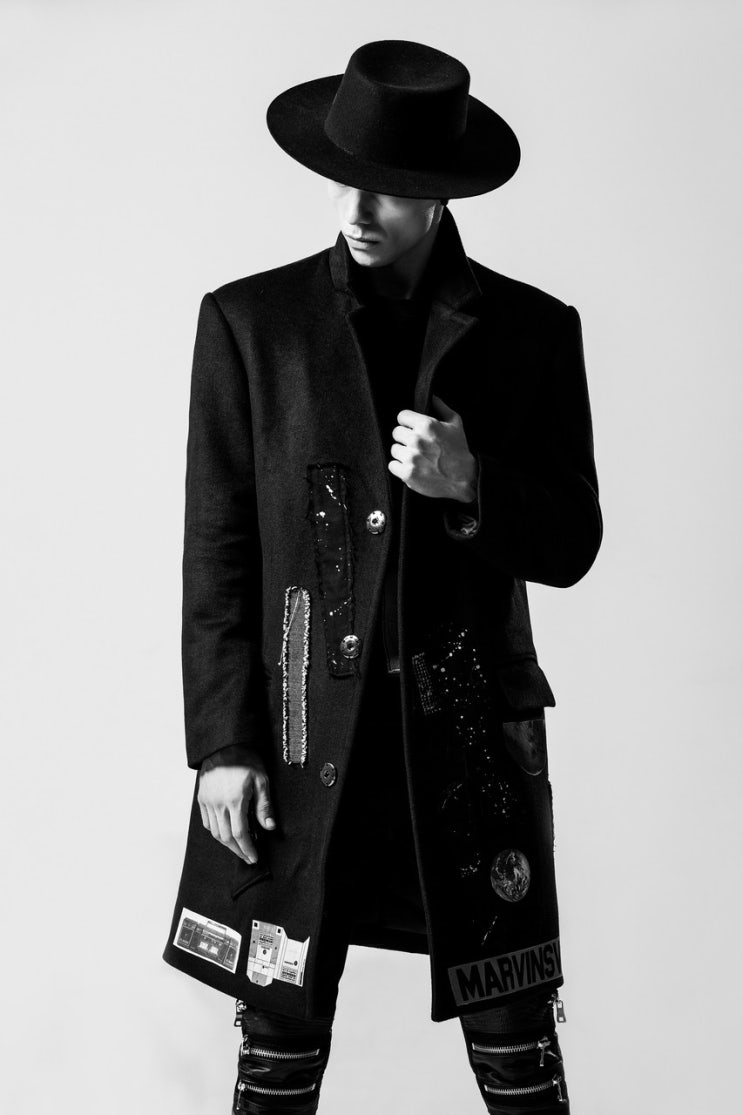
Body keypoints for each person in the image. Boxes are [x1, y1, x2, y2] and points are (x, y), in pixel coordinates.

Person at [163, 39, 602, 1114]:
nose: (358, 209)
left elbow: (572, 543)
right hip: (300, 739)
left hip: (463, 744)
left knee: (516, 1041)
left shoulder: (532, 333)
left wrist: (470, 483)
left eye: (391, 189)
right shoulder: (252, 326)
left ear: (440, 194)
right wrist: (221, 743)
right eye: (343, 179)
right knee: (275, 1040)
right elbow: (216, 551)